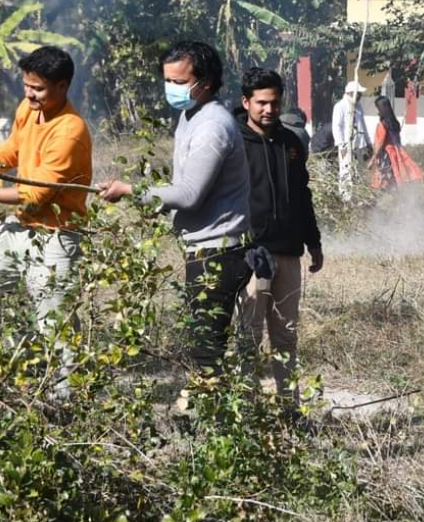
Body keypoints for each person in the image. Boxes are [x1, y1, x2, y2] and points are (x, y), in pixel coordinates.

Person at [98, 41, 251, 379]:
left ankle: (215, 422)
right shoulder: (190, 116)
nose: (172, 89)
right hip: (203, 248)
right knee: (200, 342)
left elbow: (189, 194)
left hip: (219, 252)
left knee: (205, 347)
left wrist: (129, 191)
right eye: (168, 81)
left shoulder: (212, 126)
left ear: (205, 82)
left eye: (180, 82)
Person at [234, 68, 323, 407]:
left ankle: (289, 407)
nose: (268, 109)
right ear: (247, 102)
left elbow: (303, 195)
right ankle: (248, 407)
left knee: (285, 335)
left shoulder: (291, 143)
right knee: (249, 336)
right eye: (261, 103)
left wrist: (313, 242)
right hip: (250, 254)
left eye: (274, 102)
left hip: (288, 253)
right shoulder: (234, 142)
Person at [0, 46, 92, 328]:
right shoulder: (28, 109)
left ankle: (66, 372)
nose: (29, 94)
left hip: (56, 236)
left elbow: (36, 193)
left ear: (62, 85)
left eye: (37, 88)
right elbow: (11, 152)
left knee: (55, 327)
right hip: (23, 223)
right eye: (27, 85)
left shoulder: (70, 131)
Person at [367, 96, 423, 189]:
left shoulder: (382, 124)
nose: (375, 109)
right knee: (395, 180)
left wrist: (372, 160)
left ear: (381, 108)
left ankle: (387, 201)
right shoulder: (394, 123)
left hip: (386, 156)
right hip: (395, 154)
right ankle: (399, 199)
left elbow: (380, 144)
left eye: (376, 107)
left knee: (384, 182)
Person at [332, 80, 373, 200]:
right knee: (346, 172)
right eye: (358, 93)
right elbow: (337, 126)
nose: (360, 96)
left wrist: (368, 143)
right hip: (346, 146)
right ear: (350, 93)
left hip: (359, 145)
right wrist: (341, 145)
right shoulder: (340, 106)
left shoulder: (358, 106)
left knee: (359, 171)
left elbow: (363, 125)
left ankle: (358, 197)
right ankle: (346, 199)